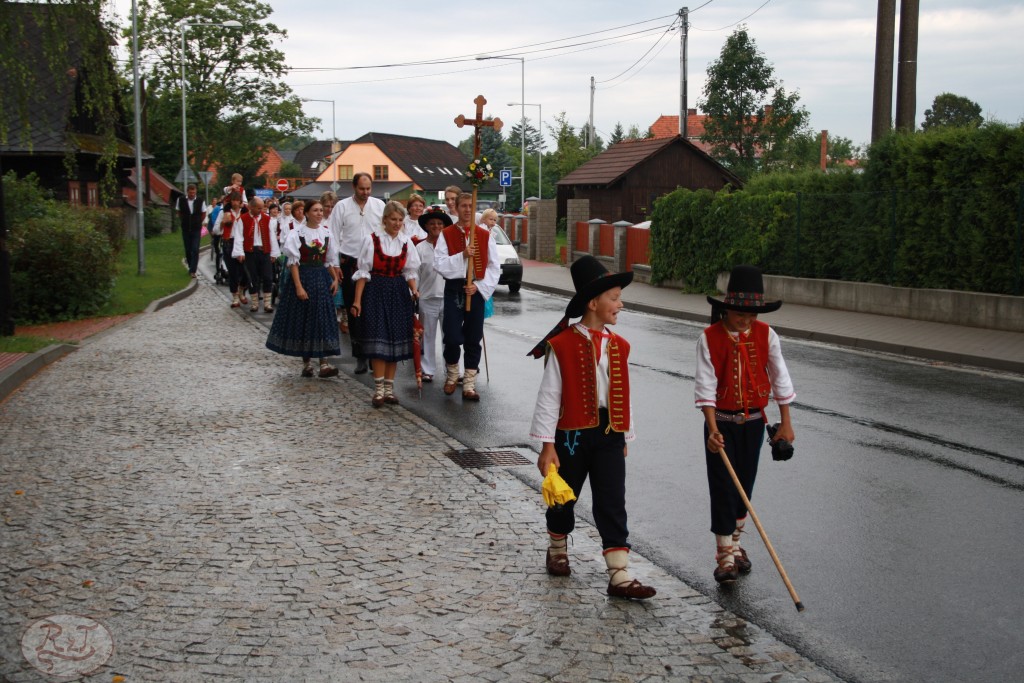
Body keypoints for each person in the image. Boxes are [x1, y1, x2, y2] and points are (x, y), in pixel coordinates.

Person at [528, 255, 655, 600]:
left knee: (613, 500)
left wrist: (624, 435)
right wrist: (546, 444)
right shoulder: (563, 345)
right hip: (570, 437)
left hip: (609, 433)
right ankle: (557, 549)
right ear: (593, 302)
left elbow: (622, 391)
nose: (620, 304)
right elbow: (549, 396)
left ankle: (619, 574)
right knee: (563, 499)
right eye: (614, 298)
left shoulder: (620, 345)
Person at [695, 264, 796, 584]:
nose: (746, 319)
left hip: (754, 423)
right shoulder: (709, 338)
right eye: (740, 312)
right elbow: (705, 388)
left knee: (744, 487)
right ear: (726, 309)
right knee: (723, 487)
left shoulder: (768, 335)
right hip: (721, 424)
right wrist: (712, 430)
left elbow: (780, 380)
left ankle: (736, 544)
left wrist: (786, 424)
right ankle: (724, 556)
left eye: (752, 314)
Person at [349, 200, 420, 407]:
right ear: (385, 220)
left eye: (400, 220)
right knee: (378, 340)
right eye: (393, 220)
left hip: (398, 293)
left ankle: (389, 389)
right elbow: (363, 272)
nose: (397, 223)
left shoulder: (406, 242)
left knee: (395, 342)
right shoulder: (371, 240)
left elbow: (409, 272)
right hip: (375, 291)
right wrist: (357, 301)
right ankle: (378, 390)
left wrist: (414, 289)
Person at [432, 192, 500, 400]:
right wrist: (462, 256)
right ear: (457, 208)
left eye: (471, 206)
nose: (467, 210)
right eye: (463, 206)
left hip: (476, 290)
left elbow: (494, 267)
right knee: (451, 336)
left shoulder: (484, 235)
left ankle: (469, 382)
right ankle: (453, 375)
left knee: (473, 336)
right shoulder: (447, 234)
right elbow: (439, 263)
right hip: (454, 288)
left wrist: (479, 287)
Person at [265, 199, 341, 378]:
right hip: (304, 278)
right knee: (305, 319)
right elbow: (293, 263)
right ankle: (307, 365)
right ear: (306, 213)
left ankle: (324, 364)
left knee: (321, 319)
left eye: (321, 210)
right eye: (315, 210)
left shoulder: (326, 233)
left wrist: (335, 278)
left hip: (321, 279)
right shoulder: (296, 233)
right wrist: (298, 287)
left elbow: (328, 261)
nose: (320, 213)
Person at [328, 172, 385, 374]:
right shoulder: (341, 207)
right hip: (350, 262)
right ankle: (360, 354)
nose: (365, 192)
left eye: (368, 188)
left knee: (373, 309)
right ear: (354, 187)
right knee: (355, 309)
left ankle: (373, 353)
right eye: (362, 189)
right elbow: (333, 236)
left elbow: (388, 231)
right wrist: (334, 265)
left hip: (374, 263)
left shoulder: (379, 206)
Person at [414, 205, 451, 383]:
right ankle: (427, 369)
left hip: (448, 297)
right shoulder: (420, 248)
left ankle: (450, 368)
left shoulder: (450, 247)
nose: (436, 226)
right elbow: (415, 272)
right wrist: (414, 292)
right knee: (427, 335)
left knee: (449, 336)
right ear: (427, 226)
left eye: (440, 223)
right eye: (432, 223)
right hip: (427, 297)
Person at [233, 196, 280, 313]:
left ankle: (267, 304)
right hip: (250, 252)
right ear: (251, 207)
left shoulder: (267, 219)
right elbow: (239, 237)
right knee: (252, 278)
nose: (261, 210)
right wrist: (239, 252)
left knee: (268, 277)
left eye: (262, 208)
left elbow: (272, 237)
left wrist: (274, 252)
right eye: (258, 208)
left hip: (264, 251)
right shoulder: (242, 219)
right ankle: (254, 303)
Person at [213, 192, 249, 308]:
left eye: (237, 200)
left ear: (240, 202)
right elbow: (216, 230)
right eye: (232, 200)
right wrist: (223, 223)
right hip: (229, 242)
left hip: (243, 243)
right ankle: (235, 297)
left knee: (245, 271)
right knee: (233, 271)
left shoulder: (245, 213)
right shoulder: (223, 213)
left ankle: (242, 289)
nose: (234, 203)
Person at [176, 184, 206, 278]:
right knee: (188, 249)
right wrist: (184, 219)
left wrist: (198, 221)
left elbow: (204, 213)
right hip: (185, 228)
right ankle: (190, 265)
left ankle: (193, 270)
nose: (192, 194)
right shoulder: (181, 200)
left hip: (196, 229)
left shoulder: (200, 201)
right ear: (187, 192)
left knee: (195, 249)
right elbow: (178, 211)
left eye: (194, 192)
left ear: (196, 191)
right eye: (190, 192)